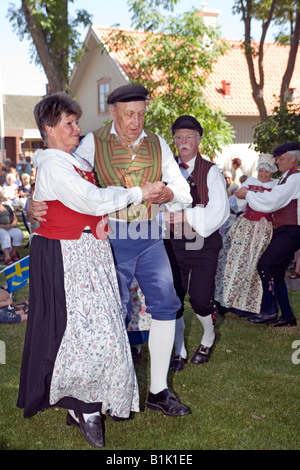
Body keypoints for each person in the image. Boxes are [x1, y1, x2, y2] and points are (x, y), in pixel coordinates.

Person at [30, 84, 192, 417]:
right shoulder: (89, 142)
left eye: (142, 114)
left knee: (166, 304)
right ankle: (101, 392)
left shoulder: (158, 144)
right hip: (109, 237)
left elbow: (184, 193)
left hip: (149, 235)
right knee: (107, 315)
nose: (136, 121)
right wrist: (34, 203)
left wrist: (168, 195)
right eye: (129, 114)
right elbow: (63, 177)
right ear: (113, 112)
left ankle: (158, 391)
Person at [17, 92, 159, 449]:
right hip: (67, 255)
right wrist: (138, 192)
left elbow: (70, 196)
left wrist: (31, 204)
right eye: (70, 123)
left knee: (100, 328)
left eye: (77, 122)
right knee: (87, 333)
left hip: (88, 253)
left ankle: (81, 402)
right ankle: (86, 405)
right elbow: (89, 199)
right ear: (49, 129)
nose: (78, 129)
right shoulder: (53, 164)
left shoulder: (68, 158)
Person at [163, 115, 229, 371]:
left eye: (189, 137)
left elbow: (220, 211)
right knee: (174, 297)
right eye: (179, 137)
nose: (184, 142)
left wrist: (185, 216)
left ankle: (208, 337)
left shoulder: (211, 171)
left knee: (200, 299)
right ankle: (178, 349)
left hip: (203, 243)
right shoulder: (167, 171)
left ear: (199, 140)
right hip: (174, 243)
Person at [235, 142, 300, 327]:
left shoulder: (295, 178)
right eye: (277, 158)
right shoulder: (287, 178)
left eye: (281, 158)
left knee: (265, 265)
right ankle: (287, 316)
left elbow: (272, 201)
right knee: (276, 271)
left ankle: (269, 311)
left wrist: (248, 195)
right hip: (286, 229)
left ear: (293, 158)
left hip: (292, 230)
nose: (278, 161)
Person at [215, 154, 278, 317]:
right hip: (245, 226)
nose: (263, 174)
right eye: (261, 171)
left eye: (267, 171)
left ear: (272, 172)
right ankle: (226, 301)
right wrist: (242, 198)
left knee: (255, 265)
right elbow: (239, 204)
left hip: (263, 230)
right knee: (233, 261)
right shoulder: (250, 182)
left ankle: (248, 305)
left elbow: (270, 204)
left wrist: (250, 196)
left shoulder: (277, 185)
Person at [0, 192, 24, 264]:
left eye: (1, 196)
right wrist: (2, 226)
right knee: (5, 235)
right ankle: (7, 258)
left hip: (9, 227)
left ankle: (13, 254)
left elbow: (15, 218)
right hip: (0, 228)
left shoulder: (7, 206)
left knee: (19, 233)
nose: (0, 198)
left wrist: (12, 224)